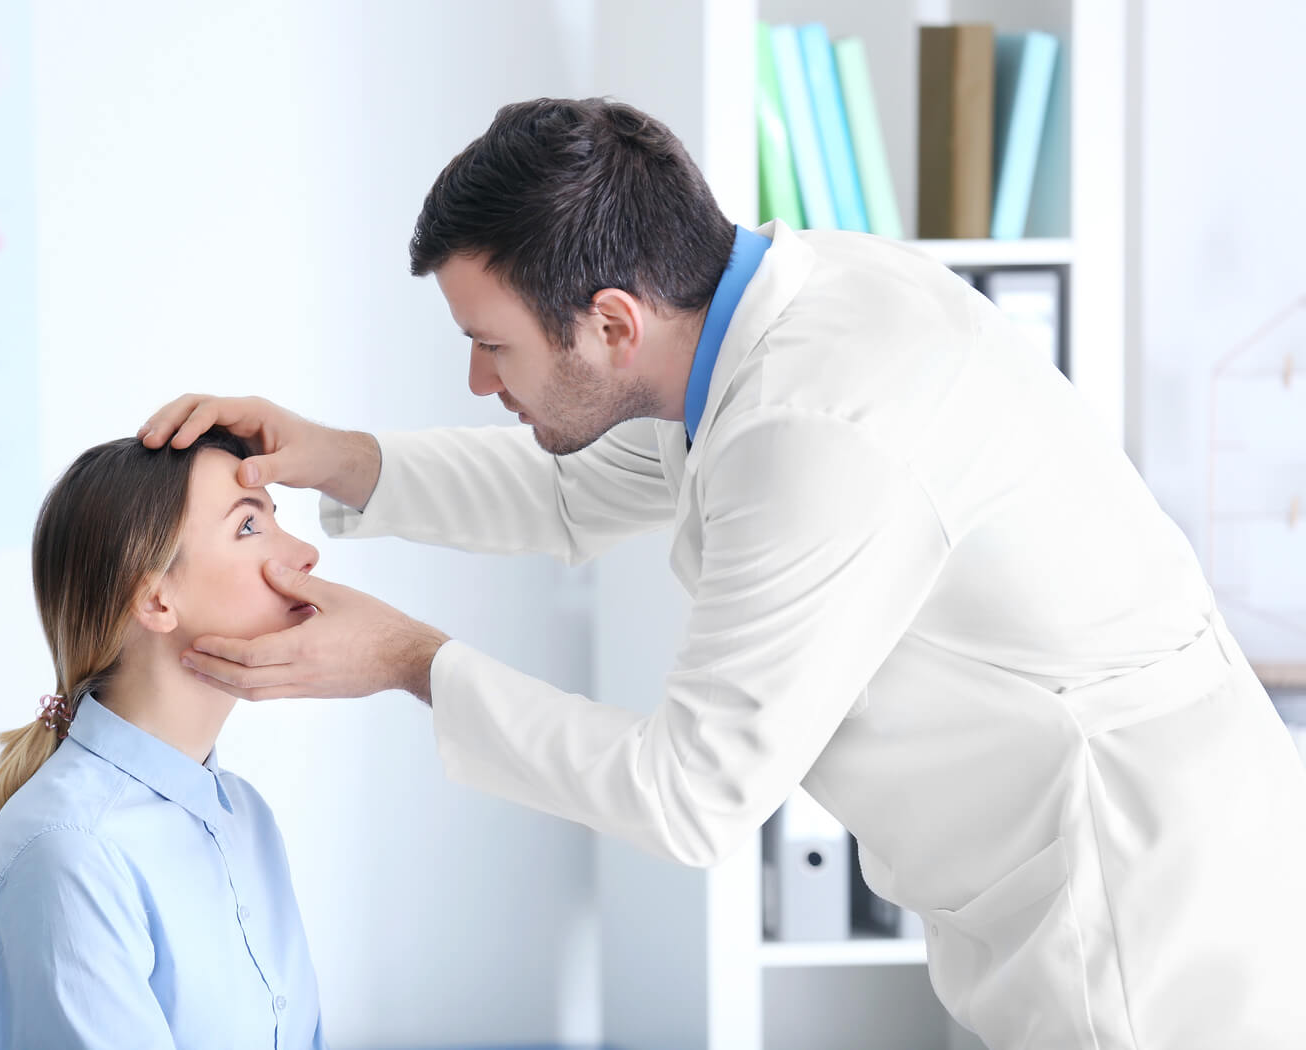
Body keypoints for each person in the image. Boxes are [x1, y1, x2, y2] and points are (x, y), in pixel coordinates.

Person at [140, 98, 1306, 1047]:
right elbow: (572, 488)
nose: (480, 384)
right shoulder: (759, 312)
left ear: (608, 322)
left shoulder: (820, 429)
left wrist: (408, 661)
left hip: (1139, 922)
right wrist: (335, 457)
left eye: (491, 346)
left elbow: (687, 796)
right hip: (1092, 864)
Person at [0, 430, 328, 1050]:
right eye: (249, 528)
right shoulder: (71, 852)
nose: (306, 553)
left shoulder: (245, 817)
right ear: (154, 597)